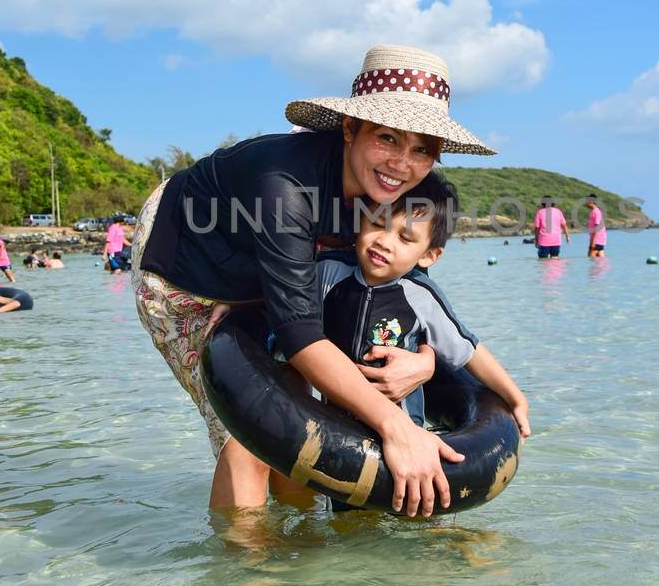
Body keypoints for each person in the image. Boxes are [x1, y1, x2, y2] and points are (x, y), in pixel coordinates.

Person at [132, 43, 494, 517]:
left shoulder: (386, 192)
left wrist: (426, 361)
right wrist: (397, 428)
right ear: (349, 127)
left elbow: (409, 290)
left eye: (422, 148)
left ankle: (307, 562)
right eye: (387, 138)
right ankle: (244, 574)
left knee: (301, 415)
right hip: (187, 268)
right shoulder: (286, 184)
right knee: (252, 433)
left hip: (281, 272)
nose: (401, 163)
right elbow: (301, 334)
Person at [315, 174, 530, 446]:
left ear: (429, 255)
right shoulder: (329, 272)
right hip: (334, 421)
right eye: (378, 224)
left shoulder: (422, 295)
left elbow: (467, 349)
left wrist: (516, 398)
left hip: (402, 429)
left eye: (405, 238)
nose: (385, 241)